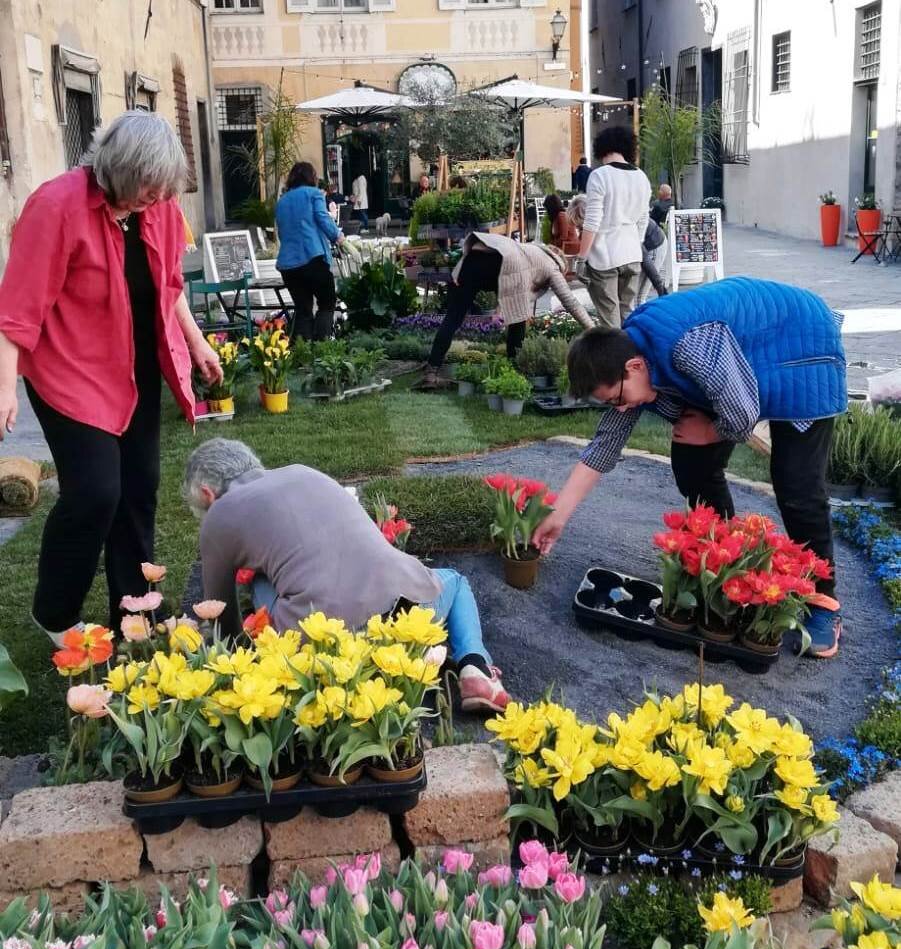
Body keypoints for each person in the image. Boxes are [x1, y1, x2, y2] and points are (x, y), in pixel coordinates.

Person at [533, 277, 848, 657]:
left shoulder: (687, 346)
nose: (621, 408)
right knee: (692, 462)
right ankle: (726, 571)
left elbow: (743, 413)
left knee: (796, 485)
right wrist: (559, 515)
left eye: (618, 398)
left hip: (801, 347)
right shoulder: (633, 361)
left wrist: (710, 428)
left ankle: (823, 605)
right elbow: (605, 445)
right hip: (743, 365)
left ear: (634, 366)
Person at [0, 110, 222, 645]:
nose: (154, 199)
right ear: (114, 169)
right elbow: (16, 311)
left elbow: (168, 286)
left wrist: (196, 342)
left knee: (138, 488)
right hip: (70, 373)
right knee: (96, 492)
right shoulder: (55, 207)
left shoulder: (161, 207)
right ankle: (55, 613)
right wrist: (4, 388)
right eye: (145, 188)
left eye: (162, 190)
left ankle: (133, 609)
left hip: (135, 368)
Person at [183, 438, 511, 711]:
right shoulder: (303, 472)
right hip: (409, 610)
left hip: (323, 645)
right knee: (454, 581)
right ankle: (474, 667)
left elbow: (221, 619)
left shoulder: (220, 515)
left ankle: (359, 669)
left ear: (207, 494)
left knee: (259, 579)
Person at [422, 234, 593, 383]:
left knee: (453, 317)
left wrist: (500, 309)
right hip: (499, 265)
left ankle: (432, 370)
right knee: (518, 322)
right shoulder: (553, 267)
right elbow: (570, 301)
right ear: (562, 264)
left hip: (474, 259)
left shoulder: (532, 250)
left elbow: (504, 287)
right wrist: (592, 328)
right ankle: (513, 371)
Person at [578, 126, 651, 329]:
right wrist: (635, 244)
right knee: (628, 315)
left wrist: (581, 258)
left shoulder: (600, 176)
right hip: (632, 254)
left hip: (604, 257)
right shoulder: (641, 177)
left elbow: (592, 221)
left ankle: (614, 360)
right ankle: (632, 357)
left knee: (610, 321)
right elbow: (643, 219)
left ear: (602, 148)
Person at [276, 162, 344, 344]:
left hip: (288, 265)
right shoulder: (314, 194)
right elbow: (322, 218)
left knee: (303, 308)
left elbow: (281, 232)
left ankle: (302, 353)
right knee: (327, 301)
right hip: (312, 257)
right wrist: (337, 236)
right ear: (311, 177)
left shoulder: (282, 201)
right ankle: (322, 347)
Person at [637, 216, 668, 304]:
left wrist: (659, 287)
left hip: (654, 244)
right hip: (644, 244)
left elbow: (645, 259)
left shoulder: (629, 228)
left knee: (639, 296)